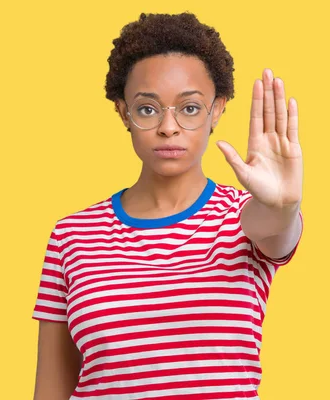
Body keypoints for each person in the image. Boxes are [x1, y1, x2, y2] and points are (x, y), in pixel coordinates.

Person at [31, 12, 304, 400]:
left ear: (218, 109)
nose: (168, 127)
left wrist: (283, 205)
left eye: (190, 108)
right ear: (124, 112)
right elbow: (51, 389)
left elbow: (273, 228)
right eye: (147, 109)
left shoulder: (241, 218)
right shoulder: (71, 236)